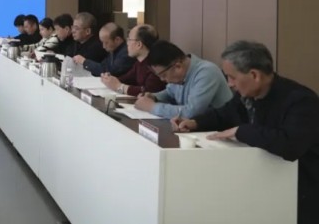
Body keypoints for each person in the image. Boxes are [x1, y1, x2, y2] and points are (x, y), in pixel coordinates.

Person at [173, 41, 319, 224]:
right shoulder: (247, 95)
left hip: (301, 192)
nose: (230, 84)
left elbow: (290, 145)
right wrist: (195, 123)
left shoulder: (300, 100)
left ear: (254, 75)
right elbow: (224, 114)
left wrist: (241, 131)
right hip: (262, 181)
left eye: (232, 77)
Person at [134, 40, 232, 119]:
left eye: (163, 75)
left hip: (221, 131)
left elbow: (191, 113)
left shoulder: (207, 72)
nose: (162, 79)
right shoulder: (179, 75)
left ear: (178, 66)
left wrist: (152, 107)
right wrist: (154, 97)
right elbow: (170, 93)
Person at [101, 24, 166, 95]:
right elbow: (125, 79)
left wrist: (120, 87)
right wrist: (109, 79)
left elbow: (149, 91)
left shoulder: (155, 65)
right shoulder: (139, 63)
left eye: (129, 39)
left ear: (139, 44)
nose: (127, 43)